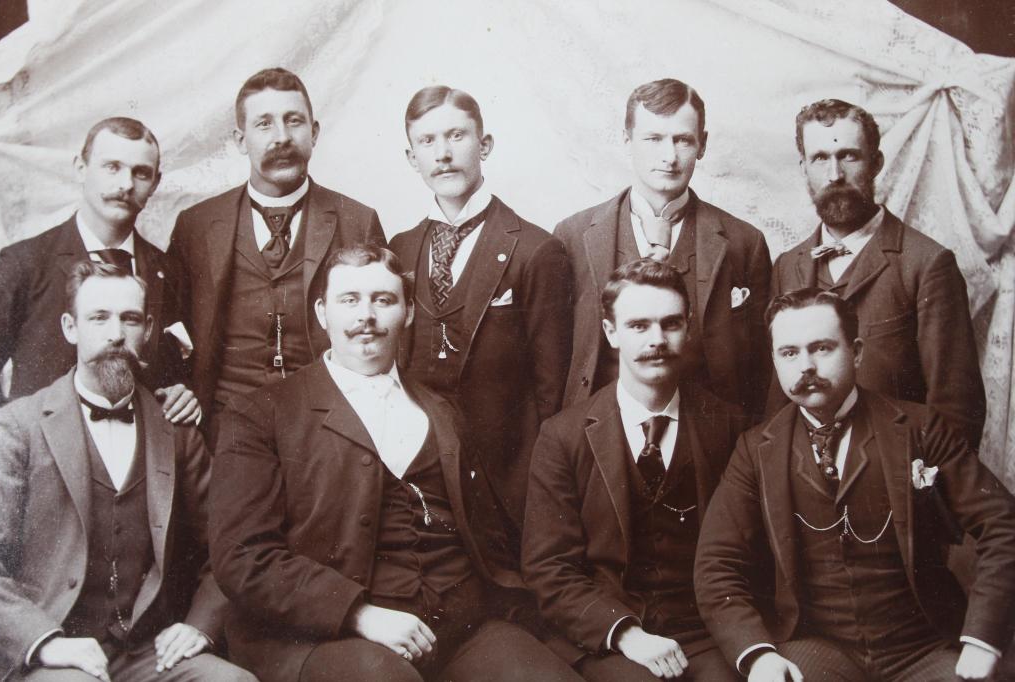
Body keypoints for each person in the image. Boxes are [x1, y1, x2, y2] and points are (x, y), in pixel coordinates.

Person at [209, 245, 581, 682]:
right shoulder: (260, 413)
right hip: (325, 633)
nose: (366, 315)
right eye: (349, 300)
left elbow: (487, 534)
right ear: (322, 313)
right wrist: (358, 614)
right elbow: (243, 557)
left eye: (383, 300)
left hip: (457, 626)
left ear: (408, 314)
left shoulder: (444, 411)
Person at [695, 288, 1015, 682]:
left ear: (857, 351)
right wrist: (757, 654)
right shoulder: (755, 450)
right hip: (818, 648)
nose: (806, 366)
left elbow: (1004, 525)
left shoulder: (920, 429)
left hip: (922, 647)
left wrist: (982, 639)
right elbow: (716, 565)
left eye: (822, 348)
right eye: (789, 353)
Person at [0, 261, 254, 682]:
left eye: (129, 319)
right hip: (51, 651)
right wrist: (44, 640)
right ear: (70, 327)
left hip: (148, 651)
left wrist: (200, 624)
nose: (116, 334)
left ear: (148, 330)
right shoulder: (17, 428)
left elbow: (229, 547)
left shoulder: (175, 430)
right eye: (99, 317)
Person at [523, 258, 748, 681]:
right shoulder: (563, 436)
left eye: (671, 324)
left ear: (688, 327)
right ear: (611, 333)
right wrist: (625, 634)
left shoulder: (729, 426)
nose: (657, 340)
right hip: (610, 637)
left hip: (705, 634)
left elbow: (744, 557)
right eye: (639, 326)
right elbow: (548, 568)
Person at [389, 85, 572, 551]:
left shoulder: (535, 249)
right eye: (427, 142)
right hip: (422, 470)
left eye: (457, 136)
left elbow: (553, 391)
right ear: (411, 159)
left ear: (484, 145)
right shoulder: (402, 248)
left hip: (507, 476)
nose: (444, 154)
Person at [168, 67, 385, 436]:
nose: (282, 137)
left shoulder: (357, 221)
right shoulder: (197, 225)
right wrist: (177, 387)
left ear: (314, 133)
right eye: (264, 124)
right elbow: (167, 325)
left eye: (294, 121)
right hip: (226, 428)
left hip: (329, 429)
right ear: (240, 140)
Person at [768, 98, 985, 446]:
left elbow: (957, 410)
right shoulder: (787, 266)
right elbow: (778, 406)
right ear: (803, 168)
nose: (835, 175)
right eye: (820, 158)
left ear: (876, 163)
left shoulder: (927, 263)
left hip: (896, 479)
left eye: (849, 156)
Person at [556, 78, 771, 418]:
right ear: (627, 141)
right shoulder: (573, 236)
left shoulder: (744, 242)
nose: (669, 157)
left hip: (709, 438)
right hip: (600, 435)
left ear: (702, 145)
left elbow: (761, 370)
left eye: (683, 140)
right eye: (653, 139)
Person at [0, 117, 197, 422]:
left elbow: (180, 368)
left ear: (155, 183)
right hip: (44, 458)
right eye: (112, 167)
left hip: (139, 458)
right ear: (81, 168)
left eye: (141, 173)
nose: (126, 184)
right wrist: (10, 437)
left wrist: (184, 392)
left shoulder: (169, 271)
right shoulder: (24, 263)